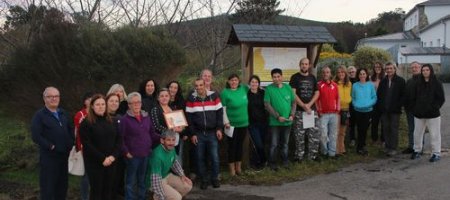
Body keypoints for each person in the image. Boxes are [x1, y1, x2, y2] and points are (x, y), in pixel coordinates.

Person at [31, 86, 74, 200]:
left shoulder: (63, 113)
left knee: (62, 187)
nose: (53, 99)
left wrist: (70, 143)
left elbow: (71, 129)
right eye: (50, 96)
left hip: (64, 156)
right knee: (48, 188)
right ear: (44, 98)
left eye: (56, 96)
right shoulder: (39, 116)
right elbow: (36, 136)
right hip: (49, 158)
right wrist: (50, 146)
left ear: (59, 98)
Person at [119, 92, 160, 200]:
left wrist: (163, 137)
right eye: (134, 103)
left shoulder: (146, 117)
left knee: (142, 180)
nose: (137, 104)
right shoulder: (124, 120)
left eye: (138, 102)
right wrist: (126, 152)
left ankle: (141, 197)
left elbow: (152, 133)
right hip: (132, 156)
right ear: (129, 105)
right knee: (131, 181)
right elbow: (120, 139)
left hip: (146, 154)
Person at [80, 94, 122, 199]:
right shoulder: (86, 123)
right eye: (97, 104)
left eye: (103, 104)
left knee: (108, 190)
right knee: (96, 192)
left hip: (111, 162)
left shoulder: (111, 121)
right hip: (95, 163)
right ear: (92, 106)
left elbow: (119, 140)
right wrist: (102, 158)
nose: (101, 106)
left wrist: (113, 156)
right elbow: (87, 144)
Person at [185, 78, 223, 190]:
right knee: (199, 158)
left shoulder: (214, 96)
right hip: (198, 133)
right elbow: (189, 119)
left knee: (215, 157)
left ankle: (215, 178)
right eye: (196, 86)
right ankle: (204, 179)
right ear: (194, 87)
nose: (199, 87)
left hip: (212, 132)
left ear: (205, 85)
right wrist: (192, 134)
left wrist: (219, 129)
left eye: (201, 85)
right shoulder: (191, 99)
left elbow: (220, 113)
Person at [410, 64, 445, 162]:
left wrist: (433, 108)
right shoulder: (418, 83)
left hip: (433, 115)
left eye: (427, 70)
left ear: (431, 71)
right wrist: (415, 109)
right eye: (423, 70)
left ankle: (436, 153)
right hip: (419, 114)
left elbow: (441, 98)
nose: (425, 72)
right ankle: (417, 151)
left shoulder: (437, 83)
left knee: (435, 134)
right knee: (417, 133)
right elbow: (413, 98)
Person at [289, 57, 320, 162]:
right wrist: (303, 105)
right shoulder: (294, 77)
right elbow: (293, 93)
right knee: (299, 135)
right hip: (299, 111)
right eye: (302, 64)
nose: (304, 66)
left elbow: (317, 92)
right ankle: (299, 156)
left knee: (313, 134)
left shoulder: (313, 77)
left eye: (306, 64)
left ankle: (313, 156)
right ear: (299, 65)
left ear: (309, 65)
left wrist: (309, 105)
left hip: (311, 111)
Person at [147, 130, 193, 200]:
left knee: (188, 185)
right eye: (168, 140)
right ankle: (155, 197)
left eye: (173, 140)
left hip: (166, 175)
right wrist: (161, 196)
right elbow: (155, 180)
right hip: (156, 181)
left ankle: (171, 196)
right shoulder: (157, 156)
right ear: (162, 141)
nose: (171, 143)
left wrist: (182, 175)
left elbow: (174, 163)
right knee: (177, 197)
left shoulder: (171, 148)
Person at [265, 68, 296, 170]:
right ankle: (272, 163)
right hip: (275, 122)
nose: (276, 78)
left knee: (285, 144)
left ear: (282, 77)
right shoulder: (269, 89)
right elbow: (267, 105)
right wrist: (277, 116)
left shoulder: (288, 88)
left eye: (278, 76)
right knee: (274, 144)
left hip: (287, 122)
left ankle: (285, 161)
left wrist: (292, 114)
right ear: (272, 78)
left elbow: (293, 103)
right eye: (274, 77)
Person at [221, 74, 249, 176]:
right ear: (228, 81)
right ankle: (232, 170)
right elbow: (223, 109)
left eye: (236, 80)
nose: (234, 82)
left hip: (244, 123)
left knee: (239, 146)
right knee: (232, 146)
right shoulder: (225, 92)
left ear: (239, 81)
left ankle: (239, 168)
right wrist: (226, 122)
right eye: (232, 80)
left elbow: (255, 87)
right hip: (231, 125)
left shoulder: (244, 89)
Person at [376, 62, 405, 156]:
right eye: (387, 68)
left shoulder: (400, 81)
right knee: (385, 129)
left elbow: (403, 96)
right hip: (384, 110)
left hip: (395, 111)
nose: (389, 70)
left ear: (394, 69)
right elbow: (379, 95)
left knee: (393, 129)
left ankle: (393, 148)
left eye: (390, 68)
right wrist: (381, 107)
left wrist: (398, 106)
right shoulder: (383, 81)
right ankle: (387, 147)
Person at [351, 68, 377, 155]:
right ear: (358, 75)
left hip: (368, 111)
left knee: (365, 129)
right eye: (360, 74)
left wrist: (369, 104)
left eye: (364, 74)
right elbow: (353, 97)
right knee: (359, 128)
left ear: (366, 75)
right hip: (358, 110)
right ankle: (360, 147)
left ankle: (362, 145)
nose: (362, 75)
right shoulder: (355, 85)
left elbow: (374, 97)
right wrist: (355, 104)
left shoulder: (370, 85)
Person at [316, 66, 340, 158]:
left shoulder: (335, 85)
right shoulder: (318, 85)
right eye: (324, 72)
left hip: (334, 114)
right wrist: (319, 110)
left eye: (327, 72)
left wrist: (337, 109)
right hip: (323, 114)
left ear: (330, 74)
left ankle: (332, 153)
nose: (326, 74)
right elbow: (316, 100)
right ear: (322, 74)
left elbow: (338, 98)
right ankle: (324, 152)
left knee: (333, 134)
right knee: (323, 135)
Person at [74, 92, 93, 200]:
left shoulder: (98, 112)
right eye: (88, 99)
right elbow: (78, 134)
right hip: (84, 148)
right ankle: (84, 197)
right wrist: (80, 147)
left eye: (92, 99)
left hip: (98, 149)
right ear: (84, 101)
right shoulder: (80, 115)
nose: (90, 101)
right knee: (85, 175)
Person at [106, 93, 125, 199]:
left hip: (118, 157)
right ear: (106, 102)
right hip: (104, 157)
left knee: (115, 183)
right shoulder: (101, 117)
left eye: (116, 101)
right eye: (111, 101)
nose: (114, 103)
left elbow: (122, 137)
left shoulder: (120, 118)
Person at [247, 75, 268, 169]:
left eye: (256, 82)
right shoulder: (246, 94)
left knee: (262, 144)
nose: (254, 84)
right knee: (258, 144)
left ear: (259, 84)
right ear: (249, 83)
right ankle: (263, 161)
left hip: (263, 122)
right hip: (252, 123)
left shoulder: (263, 93)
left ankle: (258, 161)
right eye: (252, 82)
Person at [167, 81, 189, 165]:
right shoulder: (164, 100)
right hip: (167, 133)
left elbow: (185, 117)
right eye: (171, 87)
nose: (173, 89)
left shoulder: (181, 101)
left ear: (178, 90)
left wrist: (184, 132)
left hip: (179, 133)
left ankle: (178, 175)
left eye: (175, 88)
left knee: (177, 155)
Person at [403, 61, 422, 154]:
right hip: (409, 110)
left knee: (420, 129)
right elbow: (406, 95)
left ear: (420, 68)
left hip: (420, 110)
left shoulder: (424, 81)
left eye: (416, 67)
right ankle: (411, 146)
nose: (414, 69)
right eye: (413, 67)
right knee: (411, 129)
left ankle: (419, 148)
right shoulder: (409, 81)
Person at [334, 66, 352, 156]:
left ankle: (342, 149)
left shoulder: (349, 84)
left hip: (346, 109)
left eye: (342, 72)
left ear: (345, 73)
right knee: (336, 131)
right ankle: (336, 150)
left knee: (342, 132)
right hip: (337, 110)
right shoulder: (334, 84)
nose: (341, 74)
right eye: (339, 72)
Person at [370, 61, 385, 146]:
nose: (377, 68)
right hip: (373, 103)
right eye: (376, 67)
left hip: (382, 103)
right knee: (374, 122)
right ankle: (374, 139)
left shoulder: (385, 78)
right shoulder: (371, 78)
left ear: (381, 68)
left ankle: (383, 140)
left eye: (379, 67)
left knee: (383, 122)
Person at [347, 66, 358, 147]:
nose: (351, 73)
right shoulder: (347, 82)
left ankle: (361, 138)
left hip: (359, 104)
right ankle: (352, 139)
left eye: (353, 72)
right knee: (352, 123)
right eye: (350, 72)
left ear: (356, 72)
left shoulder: (359, 80)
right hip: (350, 106)